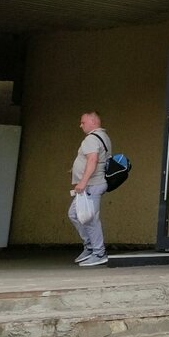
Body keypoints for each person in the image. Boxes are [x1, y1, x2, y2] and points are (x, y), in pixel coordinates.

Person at [68, 111, 110, 267]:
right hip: (92, 184)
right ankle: (90, 247)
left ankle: (99, 252)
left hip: (91, 185)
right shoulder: (102, 137)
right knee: (75, 214)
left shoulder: (92, 139)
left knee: (89, 218)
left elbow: (93, 160)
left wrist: (83, 182)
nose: (80, 125)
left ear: (93, 122)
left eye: (83, 122)